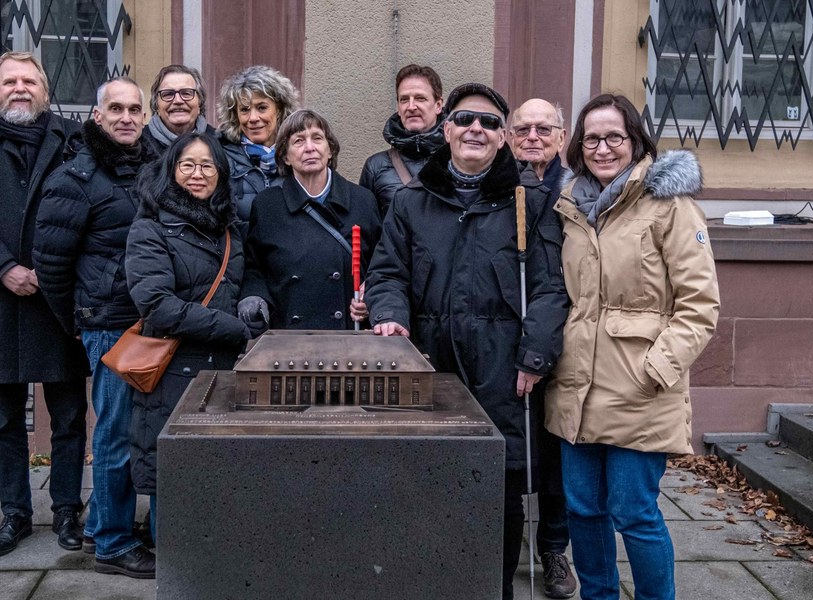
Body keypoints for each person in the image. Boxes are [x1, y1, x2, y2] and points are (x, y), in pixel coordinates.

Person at [364, 83, 569, 600]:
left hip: (506, 371)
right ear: (446, 129)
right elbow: (387, 273)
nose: (476, 128)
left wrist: (536, 354)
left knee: (501, 490)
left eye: (490, 122)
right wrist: (389, 318)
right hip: (431, 366)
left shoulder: (531, 202)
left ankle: (495, 590)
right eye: (464, 119)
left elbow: (551, 288)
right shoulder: (411, 201)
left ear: (502, 137)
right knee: (426, 485)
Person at [546, 94, 719, 600]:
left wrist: (656, 369)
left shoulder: (670, 207)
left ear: (635, 141)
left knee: (634, 512)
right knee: (583, 510)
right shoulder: (571, 207)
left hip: (640, 389)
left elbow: (700, 305)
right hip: (577, 386)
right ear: (578, 147)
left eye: (614, 137)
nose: (602, 148)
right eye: (592, 139)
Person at [0, 51, 90, 558]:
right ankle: (15, 513)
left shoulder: (75, 139)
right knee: (6, 419)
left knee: (70, 416)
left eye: (30, 80)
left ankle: (68, 510)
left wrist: (55, 270)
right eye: (10, 81)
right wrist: (3, 267)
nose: (20, 88)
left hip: (59, 299)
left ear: (45, 90)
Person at [32, 77, 156, 578]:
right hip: (110, 323)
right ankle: (113, 544)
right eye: (116, 109)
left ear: (144, 117)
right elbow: (50, 262)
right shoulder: (75, 177)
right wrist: (80, 320)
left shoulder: (154, 168)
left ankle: (102, 523)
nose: (126, 117)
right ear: (97, 116)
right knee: (116, 435)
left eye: (134, 109)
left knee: (137, 429)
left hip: (152, 318)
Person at [125, 131, 260, 540]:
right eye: (187, 165)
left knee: (221, 487)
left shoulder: (229, 231)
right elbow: (157, 306)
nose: (197, 174)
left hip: (224, 376)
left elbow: (242, 282)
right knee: (174, 488)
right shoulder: (150, 229)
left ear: (221, 174)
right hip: (174, 377)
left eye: (207, 166)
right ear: (171, 171)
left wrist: (253, 302)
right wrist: (234, 329)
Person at [508, 97, 576, 599]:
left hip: (569, 336)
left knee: (556, 453)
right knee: (515, 447)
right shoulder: (499, 186)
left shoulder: (577, 189)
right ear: (510, 137)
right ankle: (506, 545)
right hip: (511, 335)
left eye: (543, 128)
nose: (533, 137)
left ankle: (553, 548)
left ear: (562, 135)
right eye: (523, 129)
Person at [240, 109, 380, 330]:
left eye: (317, 138)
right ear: (285, 156)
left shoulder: (362, 201)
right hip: (289, 335)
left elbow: (381, 266)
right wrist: (254, 298)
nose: (309, 148)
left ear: (330, 150)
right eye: (298, 141)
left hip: (346, 335)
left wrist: (370, 295)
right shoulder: (267, 205)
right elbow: (254, 268)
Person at [215, 65, 301, 229]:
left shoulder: (300, 153)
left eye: (262, 108)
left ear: (280, 109)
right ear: (235, 115)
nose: (253, 118)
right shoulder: (219, 157)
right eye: (245, 110)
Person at [359, 64, 447, 216]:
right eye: (404, 99)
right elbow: (367, 225)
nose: (411, 107)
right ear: (398, 108)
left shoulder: (458, 161)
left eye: (420, 98)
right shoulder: (375, 167)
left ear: (438, 105)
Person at [140, 64, 215, 158]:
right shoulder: (138, 144)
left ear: (200, 102)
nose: (178, 101)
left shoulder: (220, 144)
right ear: (156, 105)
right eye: (168, 94)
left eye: (186, 93)